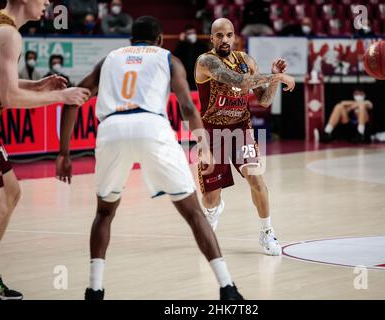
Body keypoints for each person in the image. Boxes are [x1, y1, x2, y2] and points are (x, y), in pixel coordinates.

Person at [55, 16, 244, 301]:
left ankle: (94, 290)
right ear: (159, 40)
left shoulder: (109, 59)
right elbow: (186, 107)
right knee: (193, 213)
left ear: (130, 41)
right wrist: (203, 145)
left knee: (104, 213)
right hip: (151, 127)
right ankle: (227, 288)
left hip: (111, 129)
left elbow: (73, 101)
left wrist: (64, 153)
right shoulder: (168, 58)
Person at [0, 0, 91, 300]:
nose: (47, 2)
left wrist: (37, 85)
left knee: (11, 192)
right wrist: (62, 95)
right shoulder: (10, 35)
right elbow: (8, 97)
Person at [194, 18, 295, 256]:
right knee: (210, 199)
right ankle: (213, 210)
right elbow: (240, 81)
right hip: (211, 132)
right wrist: (278, 78)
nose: (224, 39)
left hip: (241, 128)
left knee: (256, 179)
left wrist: (274, 77)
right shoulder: (206, 61)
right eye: (219, 35)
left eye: (229, 35)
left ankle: (267, 232)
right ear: (212, 38)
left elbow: (264, 100)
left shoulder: (246, 60)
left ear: (234, 36)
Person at [174, 25, 209, 90]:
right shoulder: (182, 46)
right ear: (185, 35)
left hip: (199, 77)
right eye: (189, 33)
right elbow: (175, 57)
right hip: (186, 77)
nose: (192, 35)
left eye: (193, 33)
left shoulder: (202, 46)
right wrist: (181, 42)